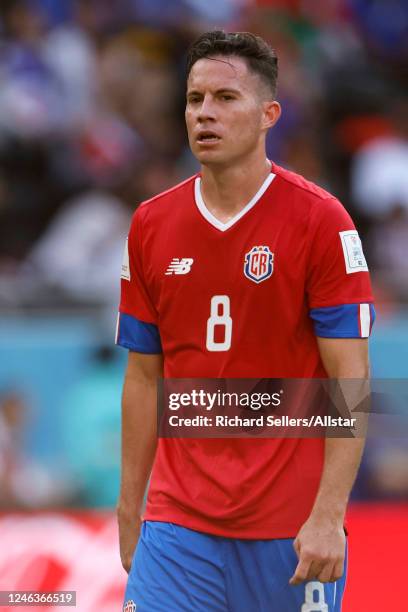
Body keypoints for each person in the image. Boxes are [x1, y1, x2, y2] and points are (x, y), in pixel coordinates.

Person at [116, 30, 375, 611]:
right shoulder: (151, 225)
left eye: (226, 98)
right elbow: (142, 378)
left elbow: (351, 381)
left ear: (268, 115)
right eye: (194, 98)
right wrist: (130, 507)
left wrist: (330, 515)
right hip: (178, 525)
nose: (204, 113)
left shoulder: (320, 222)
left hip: (291, 531)